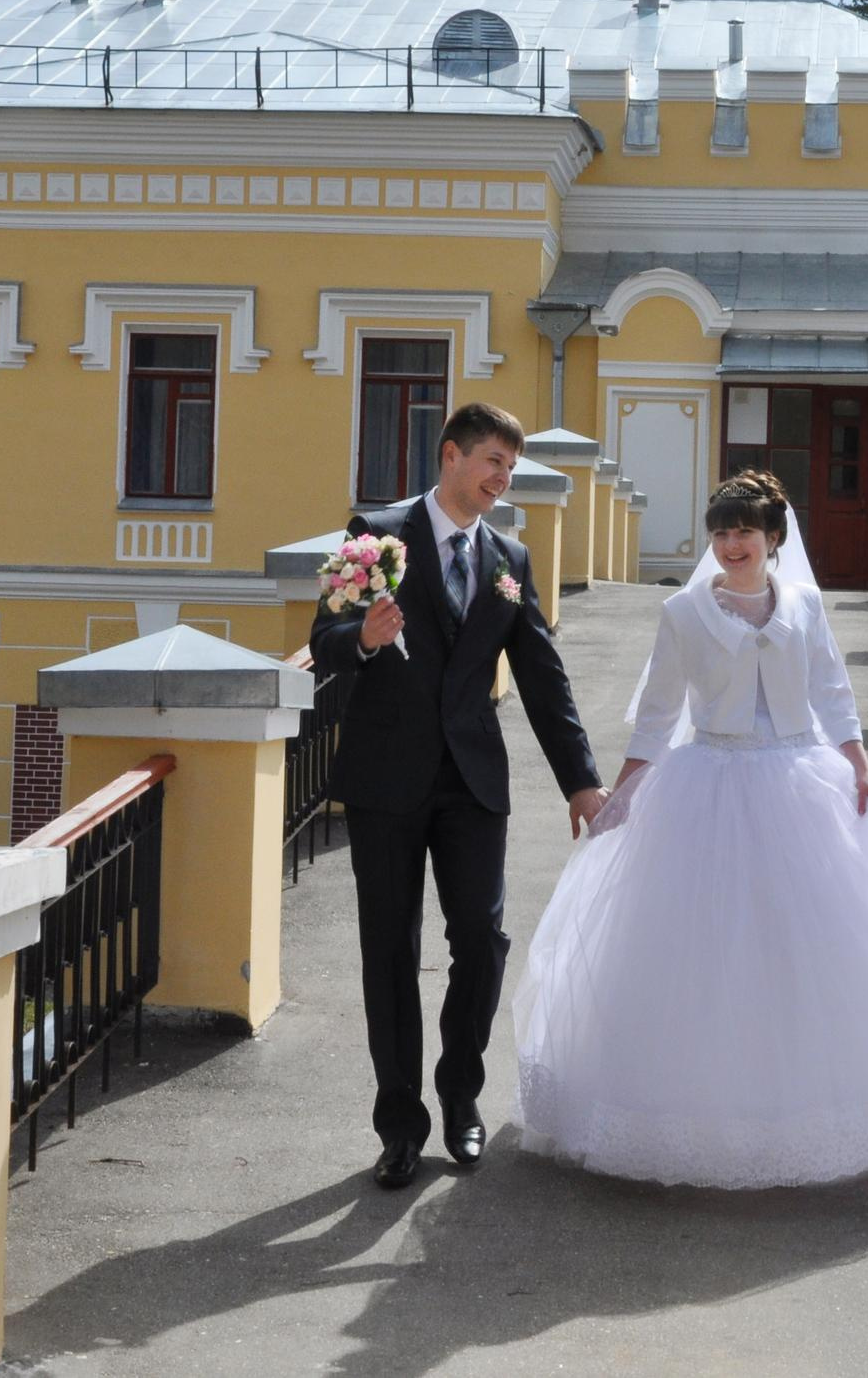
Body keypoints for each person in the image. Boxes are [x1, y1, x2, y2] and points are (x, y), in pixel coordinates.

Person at [513, 471, 868, 1189]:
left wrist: (858, 767)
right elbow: (659, 713)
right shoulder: (681, 613)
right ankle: (704, 1116)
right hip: (710, 785)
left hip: (804, 780)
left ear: (773, 538)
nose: (732, 544)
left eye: (746, 532)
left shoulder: (803, 604)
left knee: (806, 952)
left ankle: (807, 1108)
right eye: (722, 532)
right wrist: (626, 792)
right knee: (709, 956)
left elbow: (833, 690)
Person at [310, 403, 605, 1190]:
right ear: (450, 455)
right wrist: (364, 638)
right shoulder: (375, 536)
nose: (502, 479)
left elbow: (542, 674)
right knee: (391, 953)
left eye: (510, 469)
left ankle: (460, 1094)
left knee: (481, 938)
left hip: (472, 782)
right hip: (384, 781)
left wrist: (580, 780)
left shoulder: (508, 556)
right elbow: (323, 641)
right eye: (492, 463)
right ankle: (400, 1126)